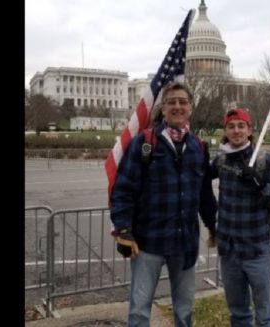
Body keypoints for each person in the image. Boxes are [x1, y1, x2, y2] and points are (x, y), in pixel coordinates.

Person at [110, 82, 217, 327]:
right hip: (149, 241)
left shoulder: (198, 147)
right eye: (171, 102)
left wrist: (213, 224)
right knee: (139, 311)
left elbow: (204, 193)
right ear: (164, 108)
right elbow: (123, 189)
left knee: (184, 309)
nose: (177, 106)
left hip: (185, 241)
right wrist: (123, 229)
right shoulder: (144, 143)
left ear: (190, 107)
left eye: (183, 101)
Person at [209, 108, 270, 327]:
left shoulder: (265, 160)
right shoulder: (221, 160)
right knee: (238, 314)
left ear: (250, 130)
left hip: (257, 251)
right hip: (229, 251)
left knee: (265, 316)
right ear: (225, 131)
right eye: (231, 126)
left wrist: (259, 184)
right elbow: (198, 177)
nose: (236, 131)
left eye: (241, 126)